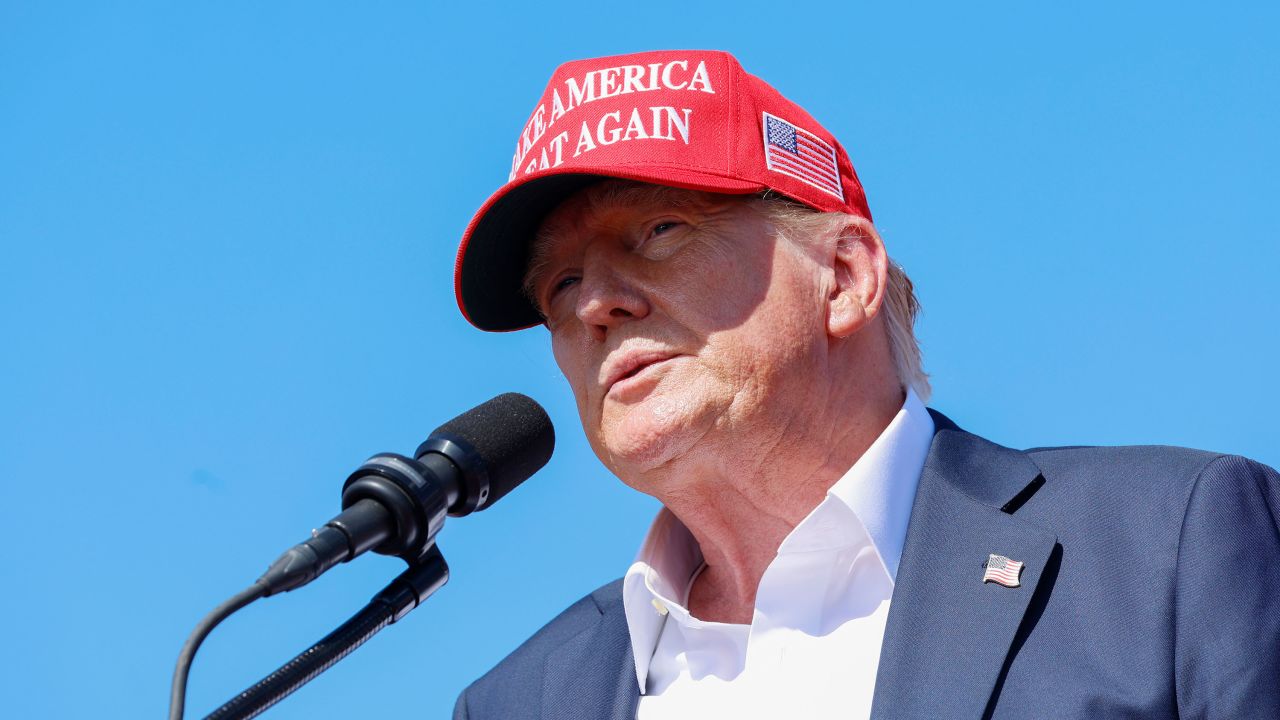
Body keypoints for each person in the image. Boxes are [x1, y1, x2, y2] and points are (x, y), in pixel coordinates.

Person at [448, 50, 1280, 719]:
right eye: (558, 285)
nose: (595, 303)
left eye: (660, 231)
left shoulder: (1170, 547)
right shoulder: (517, 700)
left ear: (844, 276)